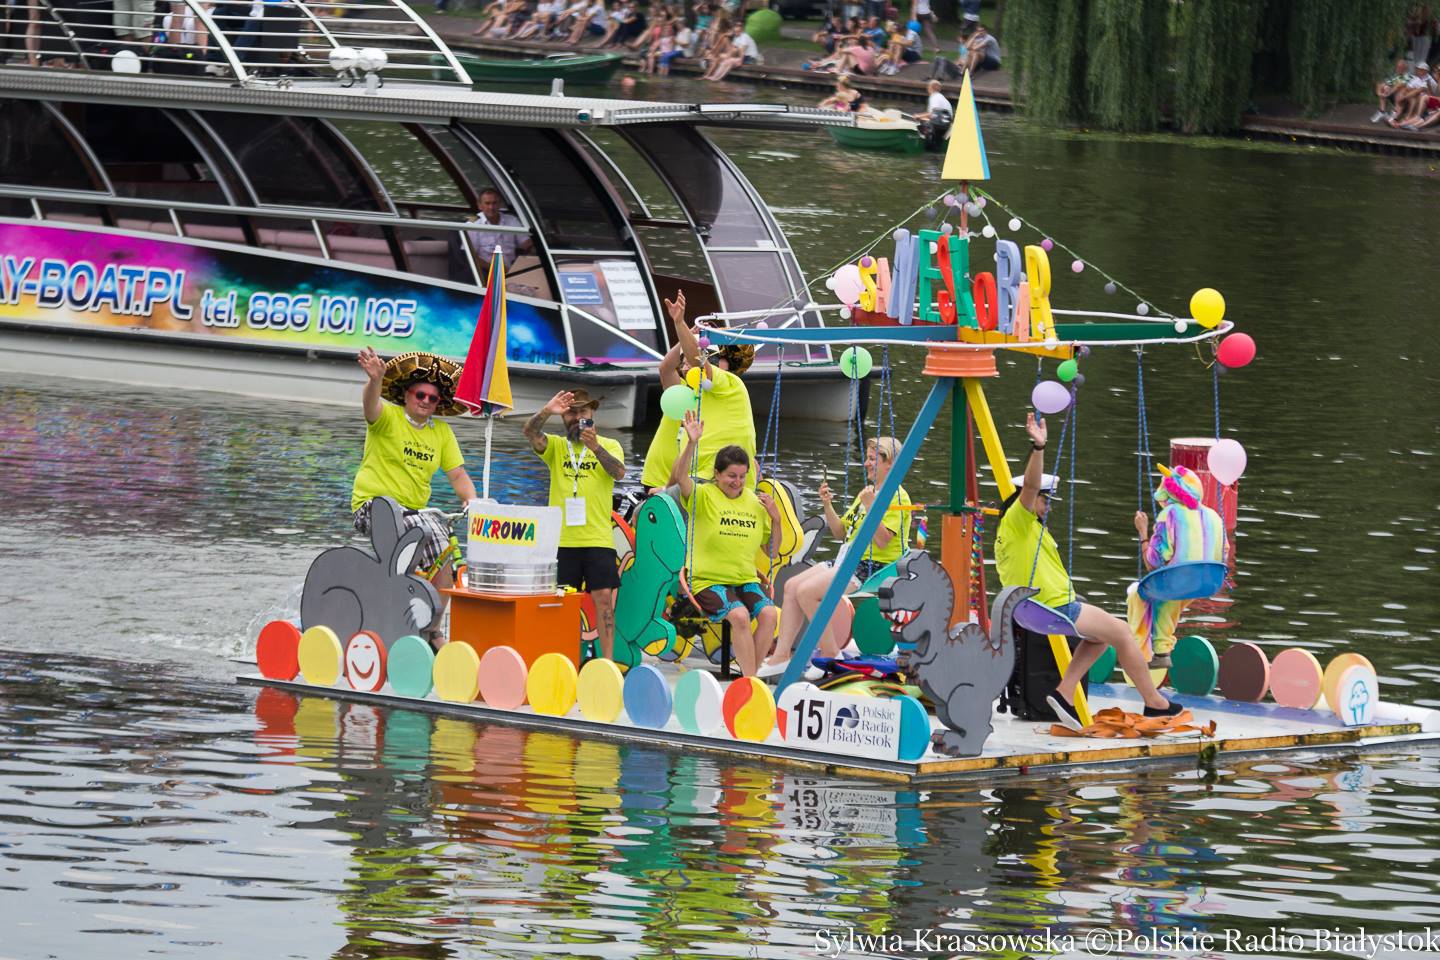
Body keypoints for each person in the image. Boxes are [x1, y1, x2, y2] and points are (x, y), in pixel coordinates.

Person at [994, 412, 1182, 729]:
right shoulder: (1018, 519)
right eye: (1045, 499)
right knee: (1122, 632)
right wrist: (1038, 448)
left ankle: (1065, 693)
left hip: (1033, 609)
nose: (1048, 504)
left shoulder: (1023, 530)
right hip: (1050, 606)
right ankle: (1154, 703)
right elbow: (1029, 484)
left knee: (1100, 637)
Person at [352, 347, 478, 648]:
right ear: (407, 395)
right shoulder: (389, 417)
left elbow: (458, 475)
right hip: (373, 506)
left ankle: (430, 631)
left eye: (432, 398)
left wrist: (473, 502)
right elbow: (370, 407)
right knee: (422, 527)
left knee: (446, 558)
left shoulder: (442, 433)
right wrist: (375, 381)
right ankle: (391, 620)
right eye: (420, 395)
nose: (425, 402)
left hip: (415, 513)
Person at [761, 437, 912, 678]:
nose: (866, 463)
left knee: (806, 592)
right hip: (847, 557)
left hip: (872, 565)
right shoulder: (868, 493)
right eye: (867, 458)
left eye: (873, 459)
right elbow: (841, 532)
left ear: (890, 464)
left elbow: (883, 541)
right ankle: (781, 656)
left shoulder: (898, 497)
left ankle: (832, 653)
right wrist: (827, 505)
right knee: (791, 587)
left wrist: (872, 506)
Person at [670, 411, 781, 678]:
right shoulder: (703, 495)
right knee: (740, 616)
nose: (737, 482)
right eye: (731, 475)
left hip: (745, 581)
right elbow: (679, 476)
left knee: (769, 615)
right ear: (717, 474)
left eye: (742, 476)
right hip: (707, 582)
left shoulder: (756, 502)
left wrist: (776, 519)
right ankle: (752, 681)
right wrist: (692, 443)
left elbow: (773, 551)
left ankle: (748, 678)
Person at [524, 389, 626, 661]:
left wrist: (595, 447)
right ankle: (559, 660)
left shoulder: (610, 444)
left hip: (597, 539)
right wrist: (547, 410)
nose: (577, 417)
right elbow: (530, 432)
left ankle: (607, 663)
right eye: (571, 412)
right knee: (560, 603)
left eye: (583, 411)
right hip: (562, 540)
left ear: (592, 414)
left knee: (604, 598)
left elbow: (618, 472)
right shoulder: (557, 446)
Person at [640, 289, 757, 492]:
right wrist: (687, 335)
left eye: (706, 355)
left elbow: (698, 365)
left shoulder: (730, 383)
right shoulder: (687, 390)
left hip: (708, 480)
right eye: (683, 361)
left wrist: (680, 324)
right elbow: (666, 368)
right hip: (685, 477)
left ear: (724, 363)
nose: (685, 366)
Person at [1127, 465, 1226, 669]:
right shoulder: (1214, 516)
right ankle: (1162, 651)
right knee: (1167, 603)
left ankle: (1136, 650)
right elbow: (1224, 551)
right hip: (1208, 581)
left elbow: (1153, 562)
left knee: (1138, 594)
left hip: (1177, 580)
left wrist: (1143, 533)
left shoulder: (1169, 514)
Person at [467, 188, 534, 264]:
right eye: (487, 203)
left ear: (500, 204)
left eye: (494, 203)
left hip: (513, 270)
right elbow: (470, 256)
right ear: (479, 205)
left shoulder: (511, 220)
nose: (491, 207)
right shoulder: (473, 225)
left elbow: (526, 242)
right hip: (486, 272)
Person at [916, 78, 952, 148]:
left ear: (930, 88)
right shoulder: (943, 98)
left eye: (928, 87)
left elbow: (933, 114)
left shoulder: (934, 97)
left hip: (937, 124)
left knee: (919, 126)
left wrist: (918, 116)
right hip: (946, 125)